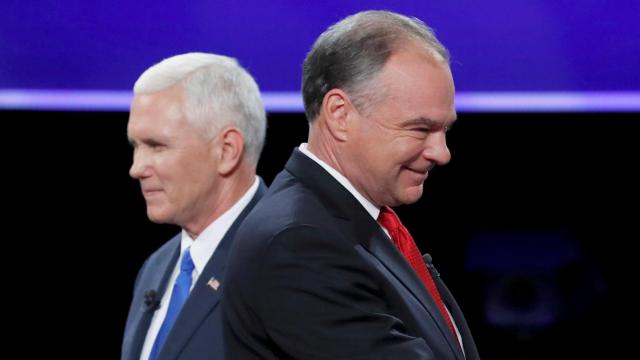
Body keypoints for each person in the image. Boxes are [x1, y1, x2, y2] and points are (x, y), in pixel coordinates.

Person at [223, 10, 480, 359]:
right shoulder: (298, 241)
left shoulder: (355, 220)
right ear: (340, 115)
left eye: (444, 130)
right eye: (420, 129)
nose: (442, 152)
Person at [121, 52, 267, 360]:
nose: (137, 168)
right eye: (135, 146)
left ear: (226, 151)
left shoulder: (291, 260)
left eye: (156, 146)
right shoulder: (156, 267)